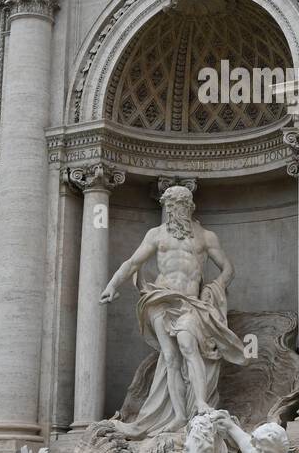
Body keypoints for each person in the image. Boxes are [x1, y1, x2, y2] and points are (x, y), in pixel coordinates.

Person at [101, 185, 245, 435]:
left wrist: (215, 288)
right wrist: (112, 285)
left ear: (188, 207)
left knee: (189, 346)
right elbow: (133, 262)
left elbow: (228, 268)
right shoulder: (156, 235)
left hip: (189, 302)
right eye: (167, 207)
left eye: (175, 206)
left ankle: (200, 403)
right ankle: (179, 415)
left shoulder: (205, 237)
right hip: (160, 299)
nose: (171, 212)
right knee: (169, 358)